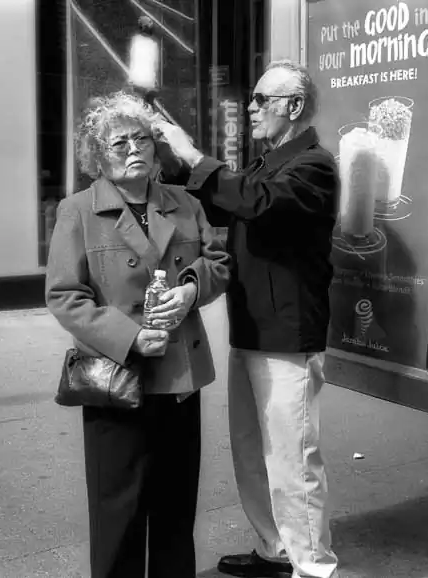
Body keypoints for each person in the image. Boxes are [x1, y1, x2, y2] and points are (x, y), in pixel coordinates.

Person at [157, 60, 340, 578]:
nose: (252, 108)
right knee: (253, 450)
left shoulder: (314, 166)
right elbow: (224, 203)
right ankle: (275, 550)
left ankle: (313, 568)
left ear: (294, 106)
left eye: (262, 99)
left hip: (287, 336)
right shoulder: (266, 164)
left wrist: (195, 156)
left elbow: (256, 203)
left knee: (292, 459)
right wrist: (172, 161)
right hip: (253, 329)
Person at [45, 91, 231, 578]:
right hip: (116, 378)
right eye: (119, 142)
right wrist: (128, 337)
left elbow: (217, 263)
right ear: (97, 156)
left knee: (175, 511)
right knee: (118, 512)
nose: (134, 149)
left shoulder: (185, 203)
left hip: (179, 379)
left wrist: (191, 289)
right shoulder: (78, 211)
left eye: (142, 139)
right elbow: (65, 295)